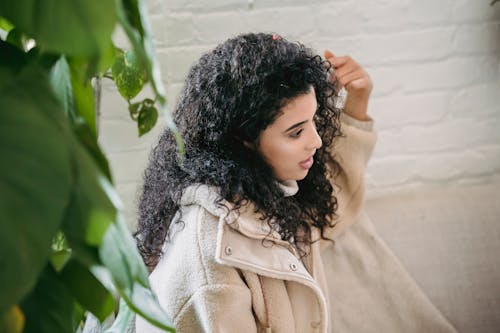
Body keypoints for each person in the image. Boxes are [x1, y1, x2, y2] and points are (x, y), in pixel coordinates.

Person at [135, 33, 456, 332]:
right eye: (296, 132)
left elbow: (330, 203)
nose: (316, 141)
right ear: (242, 140)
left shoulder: (269, 194)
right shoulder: (212, 265)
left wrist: (358, 101)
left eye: (314, 121)